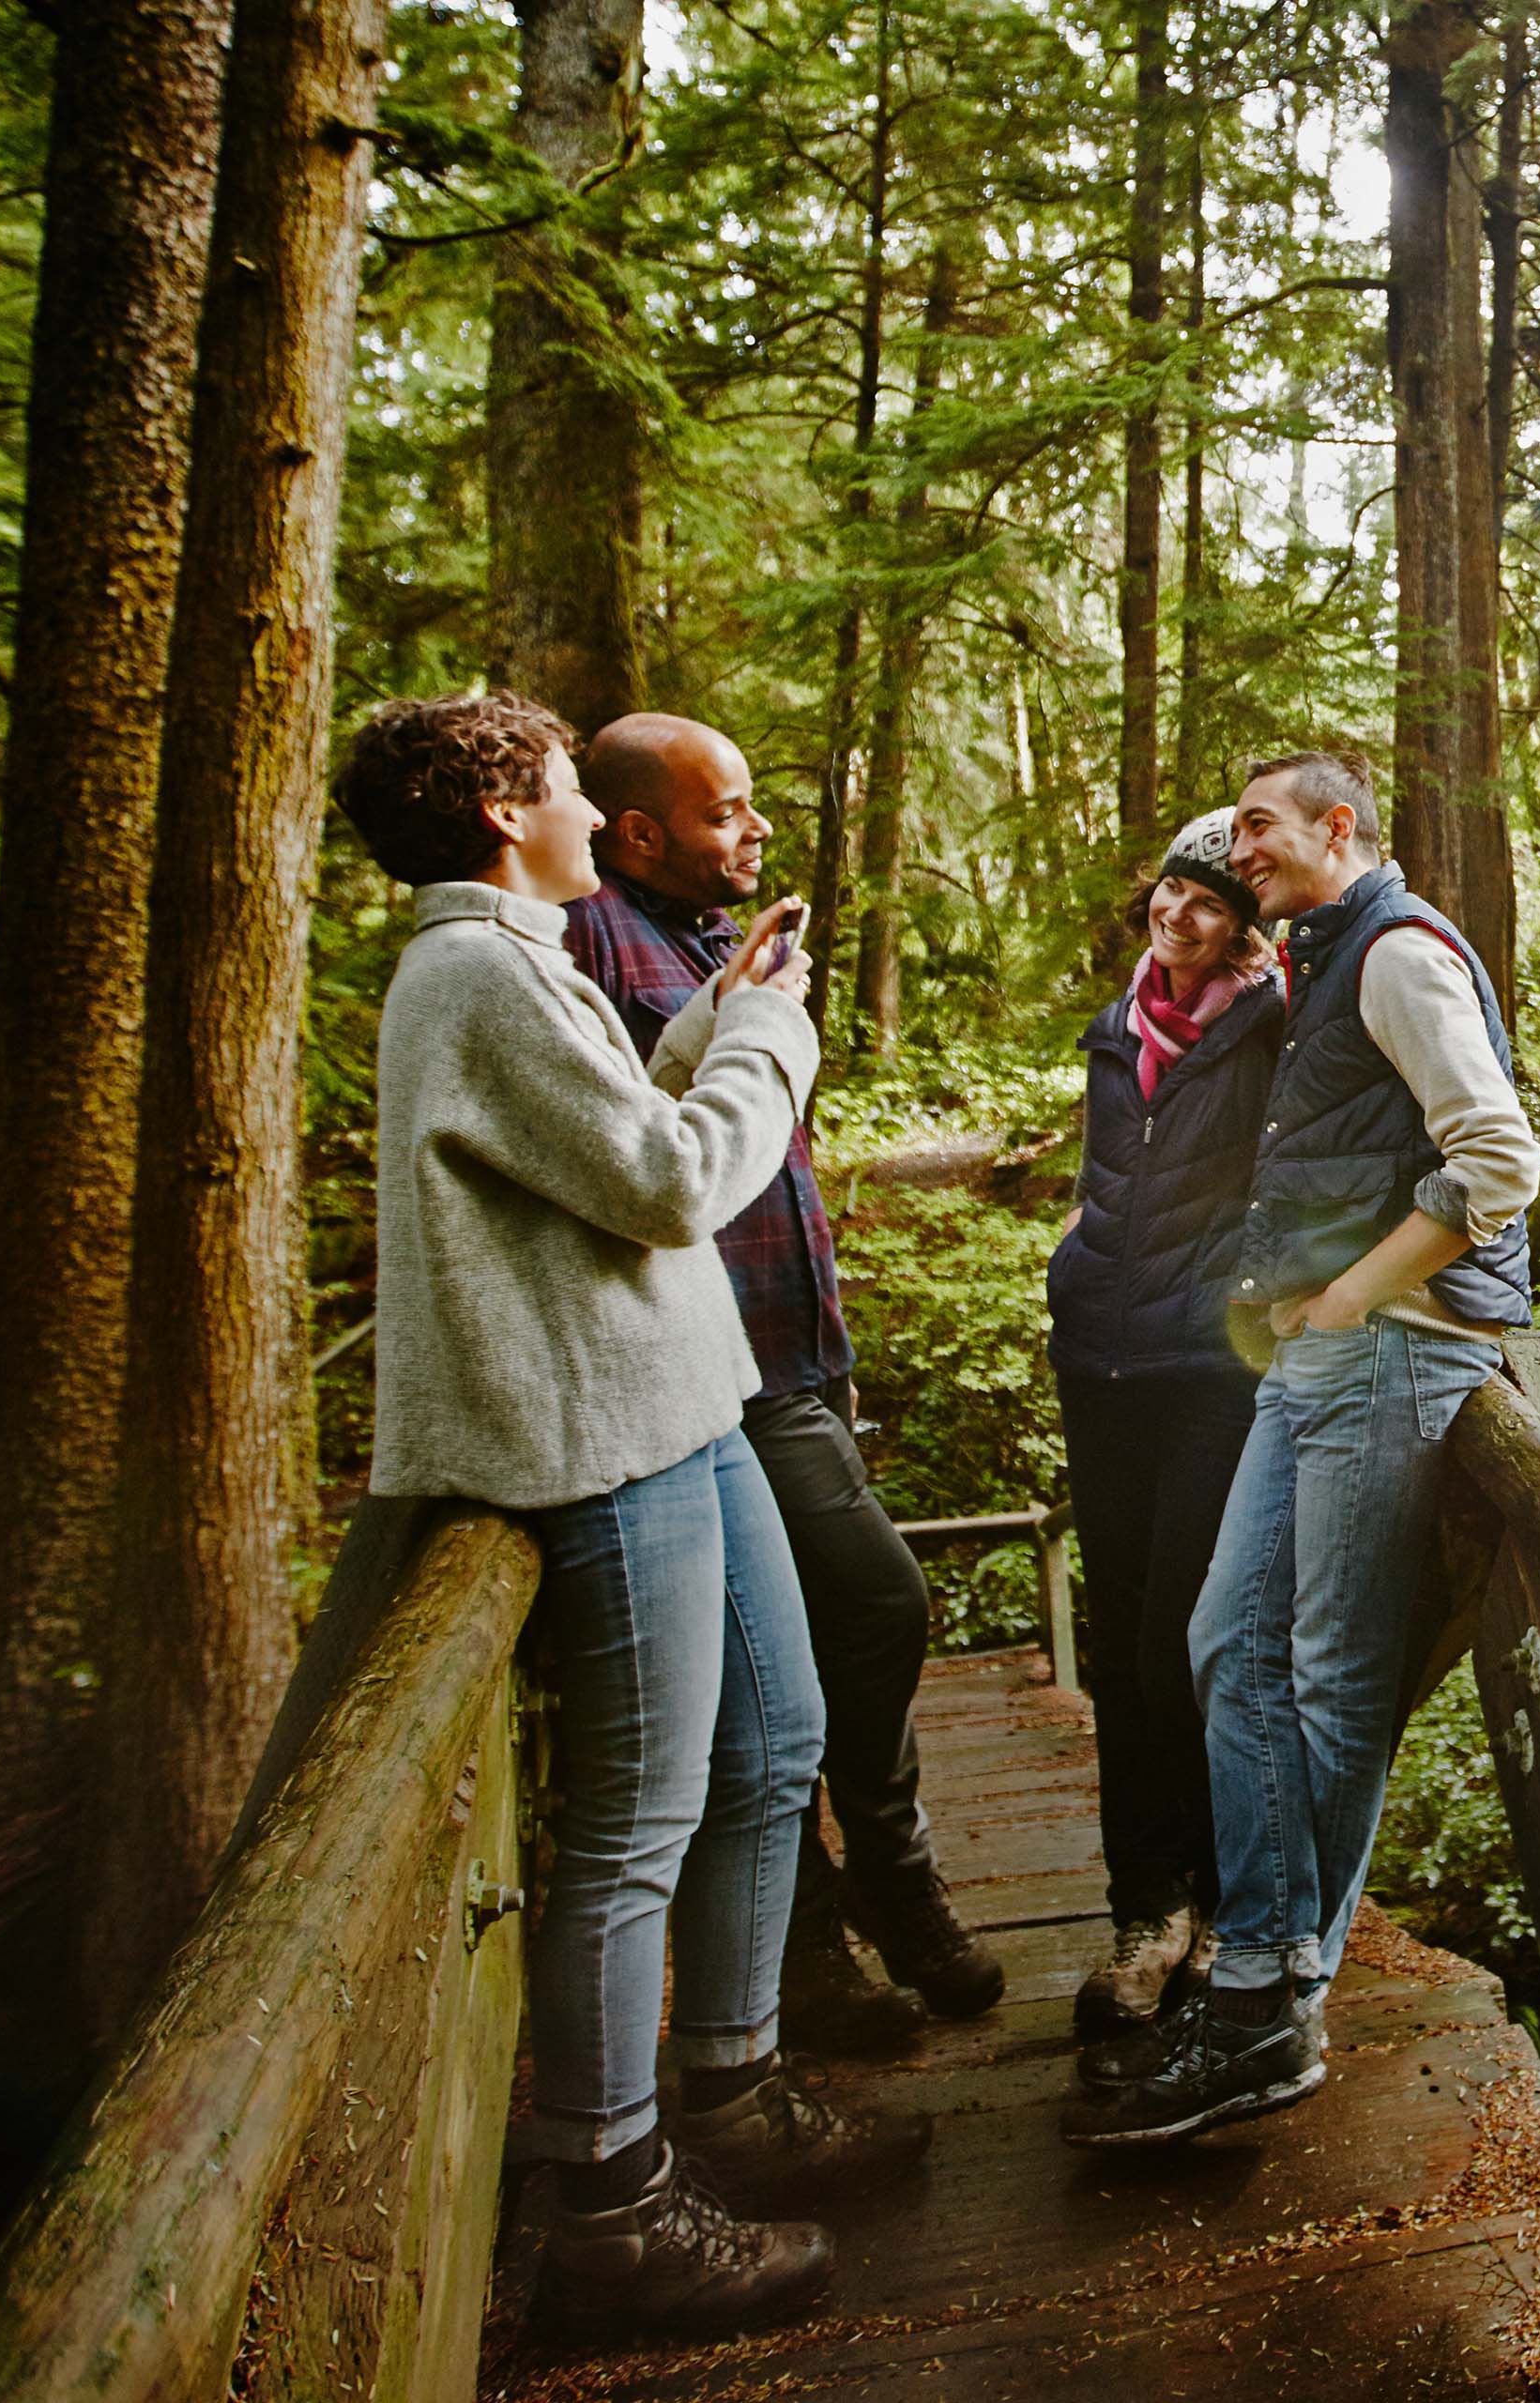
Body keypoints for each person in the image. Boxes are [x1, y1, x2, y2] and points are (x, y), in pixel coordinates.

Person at [342, 691, 926, 2337]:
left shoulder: (524, 958)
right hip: (597, 1439)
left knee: (775, 1739)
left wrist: (711, 1019)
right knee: (637, 1821)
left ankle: (736, 2093)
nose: (593, 817)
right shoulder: (470, 971)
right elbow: (673, 1184)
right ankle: (612, 2204)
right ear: (498, 815)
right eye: (559, 790)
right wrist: (773, 1043)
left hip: (688, 1402)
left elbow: (610, 1141)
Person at [1065, 748, 1540, 2148]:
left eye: (1261, 827)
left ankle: (1272, 1998)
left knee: (1329, 1671)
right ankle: (1264, 1978)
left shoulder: (1393, 952)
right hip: (1320, 1354)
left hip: (1390, 1347)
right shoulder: (1324, 960)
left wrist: (1357, 1292)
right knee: (1229, 1644)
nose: (1241, 848)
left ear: (1342, 828)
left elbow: (1499, 1157)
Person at [562, 711, 1004, 2057]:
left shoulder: (705, 939)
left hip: (795, 1351)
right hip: (718, 1376)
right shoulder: (588, 945)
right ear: (641, 830)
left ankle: (825, 1933)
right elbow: (643, 1156)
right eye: (725, 812)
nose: (754, 831)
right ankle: (860, 1894)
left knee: (808, 1645)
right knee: (873, 1606)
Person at [1046, 807, 1283, 2043]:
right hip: (1102, 1356)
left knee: (1185, 1640)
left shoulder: (1274, 1023)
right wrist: (1075, 1269)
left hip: (1206, 1366)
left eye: (1207, 904)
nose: (1176, 916)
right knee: (1120, 1635)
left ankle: (1221, 1905)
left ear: (1244, 928)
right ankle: (1144, 1910)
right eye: (1169, 894)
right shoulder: (1117, 1023)